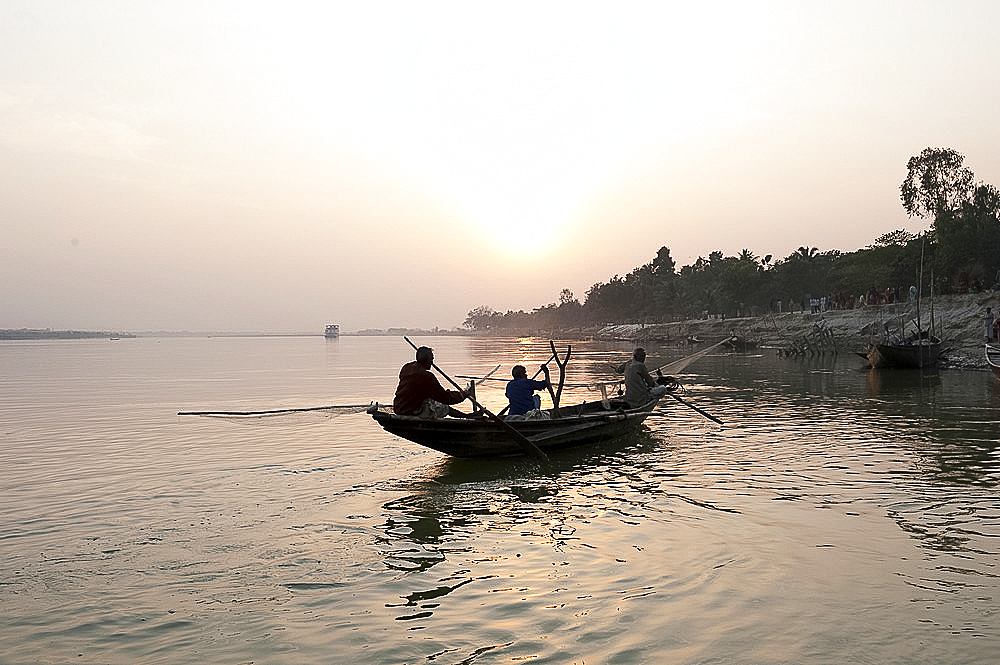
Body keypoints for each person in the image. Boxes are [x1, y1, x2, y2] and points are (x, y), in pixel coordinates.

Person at [392, 346, 469, 418]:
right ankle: (467, 417)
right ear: (425, 360)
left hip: (398, 407)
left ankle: (467, 416)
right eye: (431, 360)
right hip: (412, 411)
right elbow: (444, 397)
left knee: (433, 401)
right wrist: (461, 396)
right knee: (445, 408)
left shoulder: (407, 368)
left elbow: (436, 394)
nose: (432, 363)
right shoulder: (426, 376)